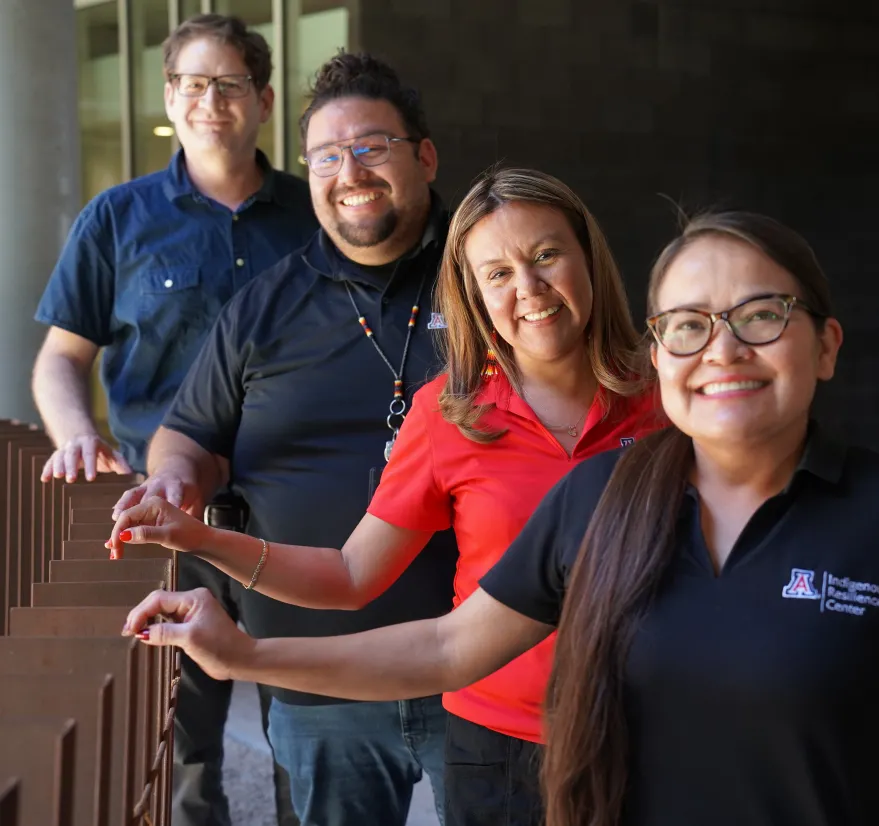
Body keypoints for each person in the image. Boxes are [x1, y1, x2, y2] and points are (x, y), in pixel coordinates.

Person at [118, 209, 879, 826]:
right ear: (659, 354)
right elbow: (439, 647)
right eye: (689, 324)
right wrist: (244, 652)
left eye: (761, 315)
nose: (723, 348)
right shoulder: (601, 499)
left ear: (825, 344)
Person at [109, 166, 665, 826]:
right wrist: (198, 537)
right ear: (473, 295)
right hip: (501, 747)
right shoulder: (450, 414)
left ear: (589, 259)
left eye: (547, 255)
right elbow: (350, 575)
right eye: (498, 273)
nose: (530, 289)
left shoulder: (670, 397)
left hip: (655, 731)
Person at [107, 50, 460, 826]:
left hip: (481, 658)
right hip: (312, 668)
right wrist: (175, 480)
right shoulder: (265, 306)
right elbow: (188, 435)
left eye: (372, 147)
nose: (350, 171)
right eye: (328, 156)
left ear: (424, 156)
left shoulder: (487, 282)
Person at [31, 13, 317, 826]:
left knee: (302, 719)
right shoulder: (116, 220)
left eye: (229, 84)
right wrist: (75, 432)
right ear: (168, 96)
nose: (209, 100)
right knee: (177, 731)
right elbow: (59, 360)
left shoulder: (314, 219)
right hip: (164, 514)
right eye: (193, 83)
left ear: (262, 100)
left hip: (294, 515)